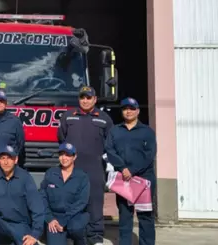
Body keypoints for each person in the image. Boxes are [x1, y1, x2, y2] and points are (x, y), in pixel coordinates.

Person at [57, 86, 113, 245]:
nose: (85, 101)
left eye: (89, 98)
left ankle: (95, 237)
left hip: (95, 167)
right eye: (82, 97)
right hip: (72, 167)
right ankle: (71, 236)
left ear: (95, 99)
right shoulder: (68, 116)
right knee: (71, 201)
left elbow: (110, 142)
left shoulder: (104, 118)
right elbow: (61, 138)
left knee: (95, 203)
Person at [104, 97, 157, 245]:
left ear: (138, 111)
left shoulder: (147, 132)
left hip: (144, 179)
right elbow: (110, 150)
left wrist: (132, 170)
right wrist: (123, 168)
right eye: (125, 109)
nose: (128, 111)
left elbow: (149, 155)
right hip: (124, 179)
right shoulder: (115, 131)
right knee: (125, 216)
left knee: (145, 216)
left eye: (132, 109)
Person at [0, 145, 46, 245]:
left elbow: (37, 207)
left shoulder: (25, 178)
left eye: (9, 158)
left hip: (19, 224)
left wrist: (35, 234)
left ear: (16, 160)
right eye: (3, 158)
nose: (6, 162)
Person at [39, 143, 90, 245]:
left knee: (76, 228)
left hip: (74, 216)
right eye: (61, 154)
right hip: (54, 218)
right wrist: (50, 219)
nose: (64, 158)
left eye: (68, 155)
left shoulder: (82, 177)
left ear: (74, 157)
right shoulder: (51, 173)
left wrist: (64, 221)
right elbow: (42, 196)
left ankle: (79, 241)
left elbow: (82, 202)